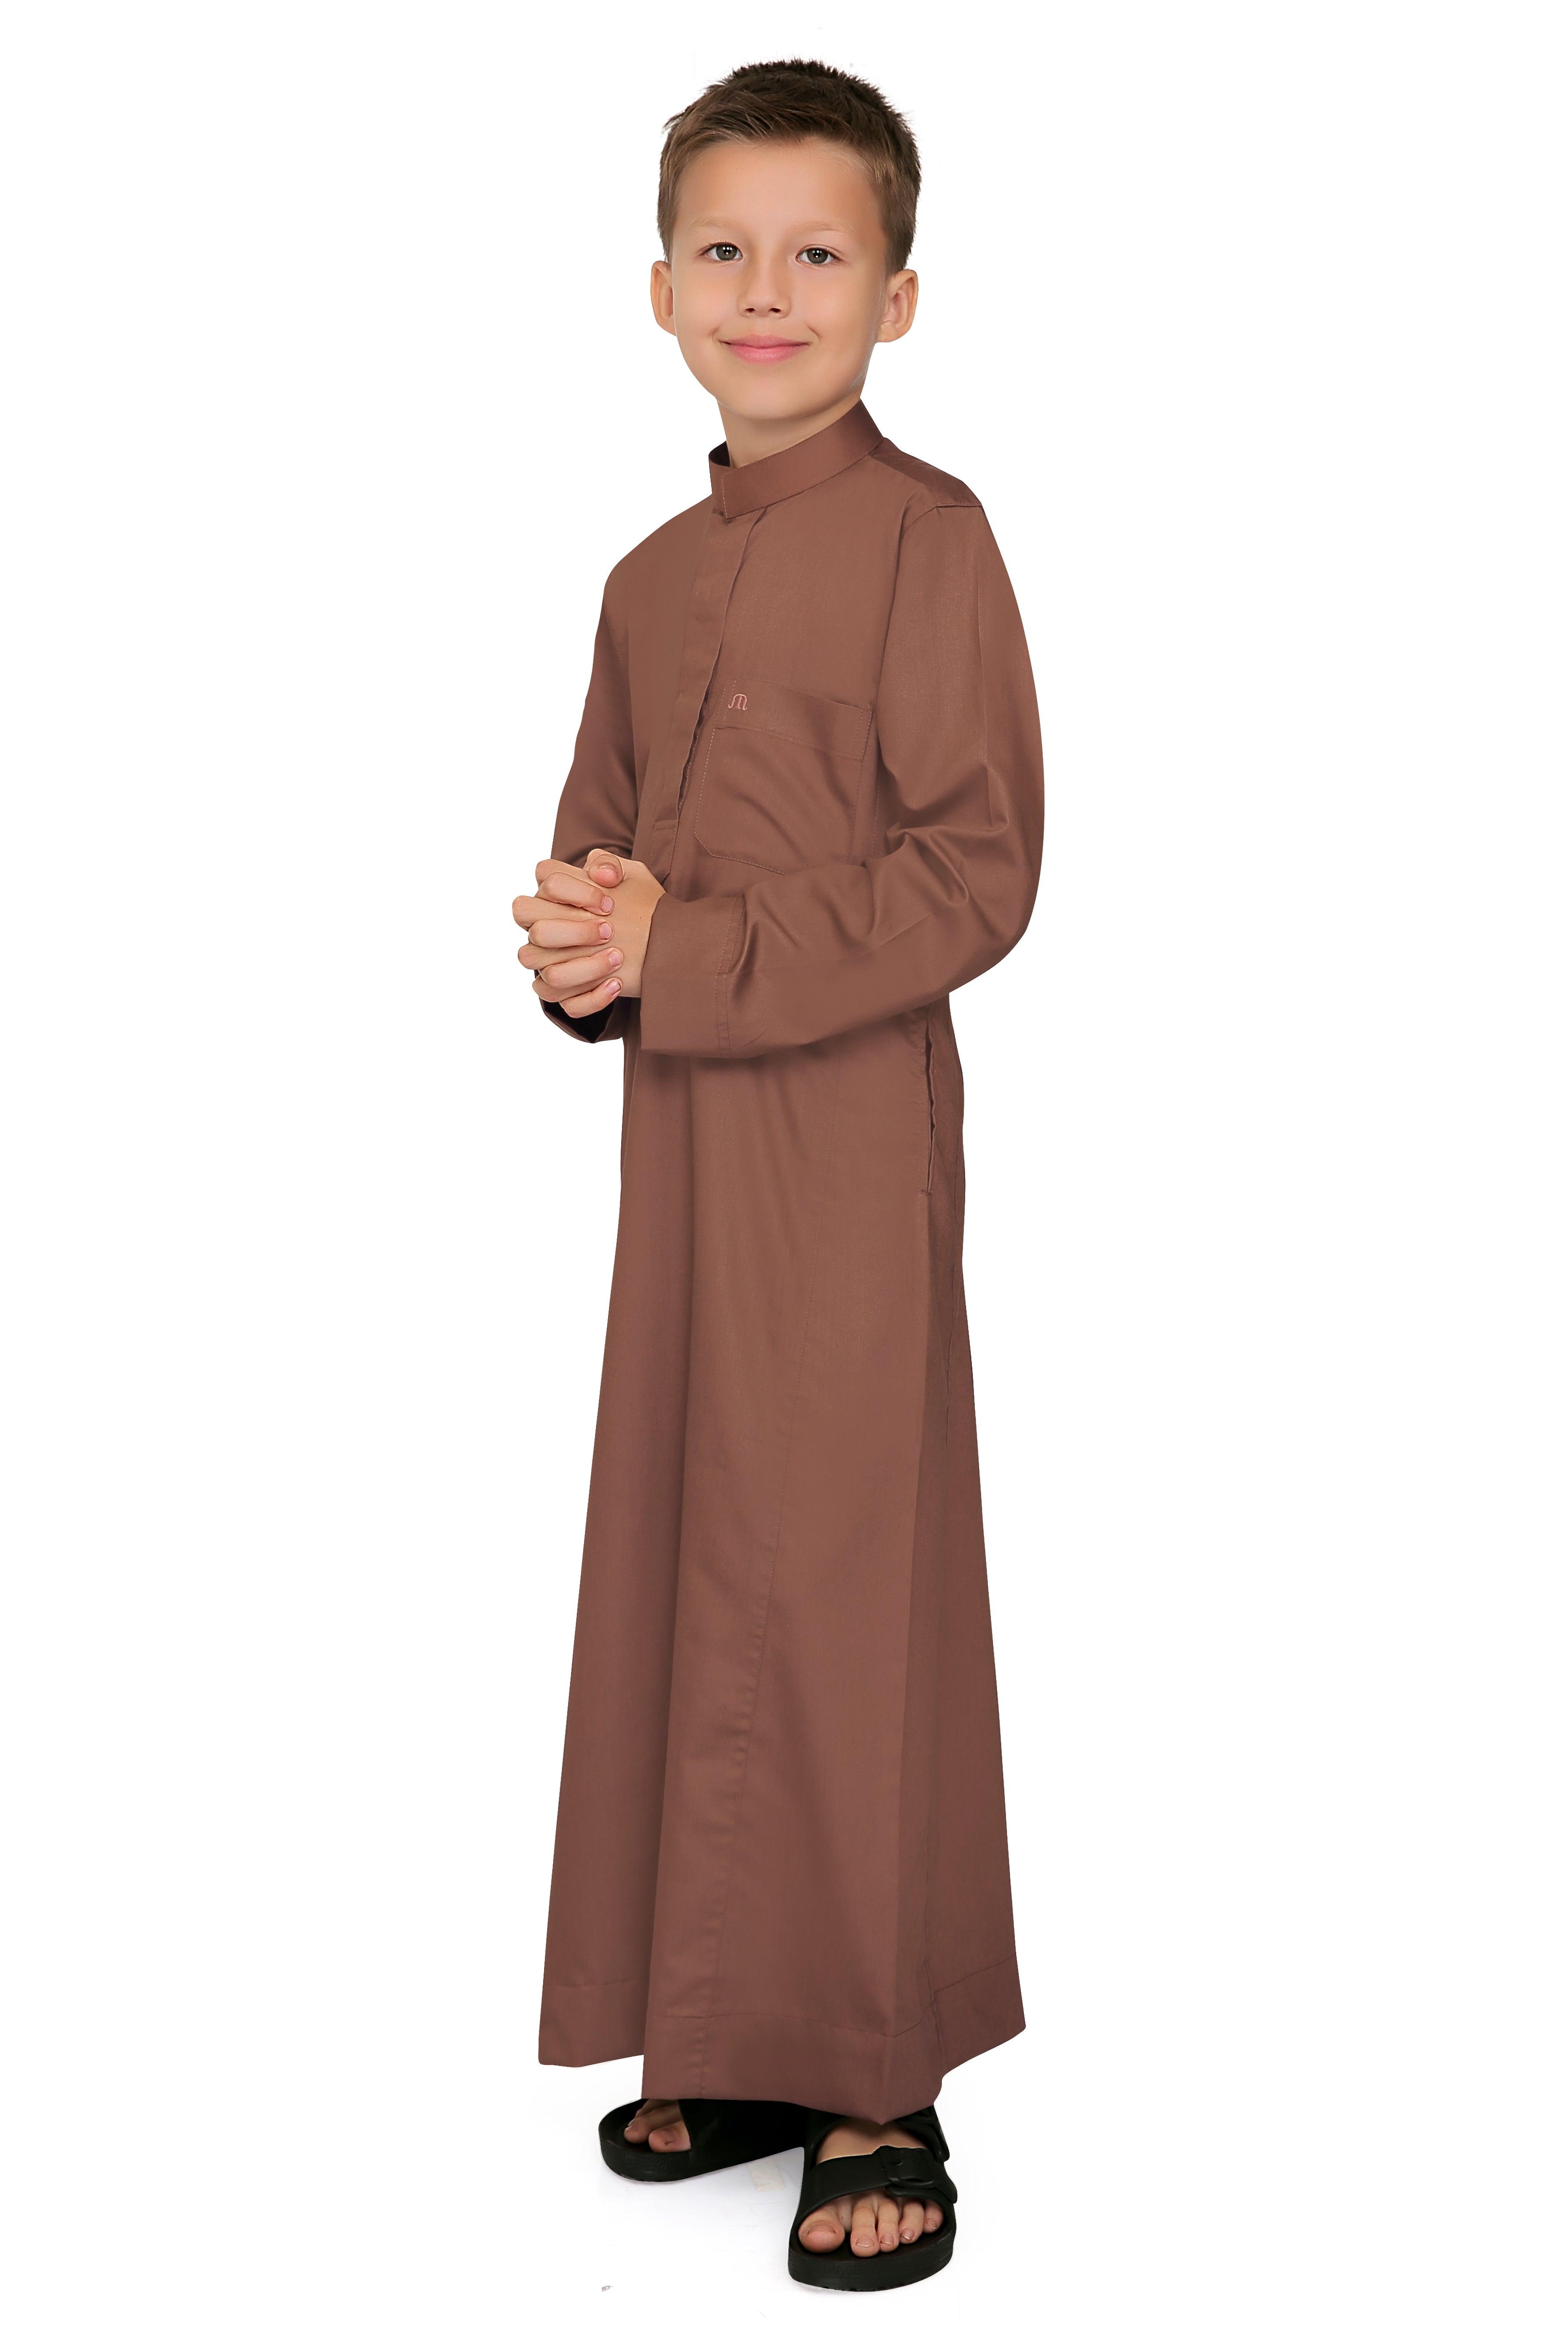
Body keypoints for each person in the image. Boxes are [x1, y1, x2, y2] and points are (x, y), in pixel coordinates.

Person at [512, 57, 1044, 2291]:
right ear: (658, 290)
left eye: (818, 252)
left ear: (895, 297)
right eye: (722, 248)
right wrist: (581, 950)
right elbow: (603, 842)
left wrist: (693, 950)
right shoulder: (647, 582)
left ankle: (878, 2076)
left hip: (841, 1137)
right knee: (688, 1547)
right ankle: (733, 2030)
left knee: (844, 1574)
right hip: (685, 1145)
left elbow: (979, 870)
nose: (766, 288)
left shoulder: (930, 539)